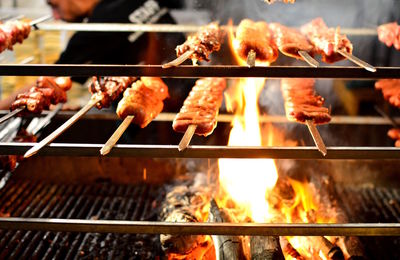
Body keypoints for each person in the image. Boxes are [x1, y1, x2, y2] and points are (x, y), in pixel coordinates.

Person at [0, 0, 188, 111]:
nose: (56, 16)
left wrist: (2, 108)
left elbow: (49, 81)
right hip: (192, 87)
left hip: (156, 111)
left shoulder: (93, 32)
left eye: (54, 5)